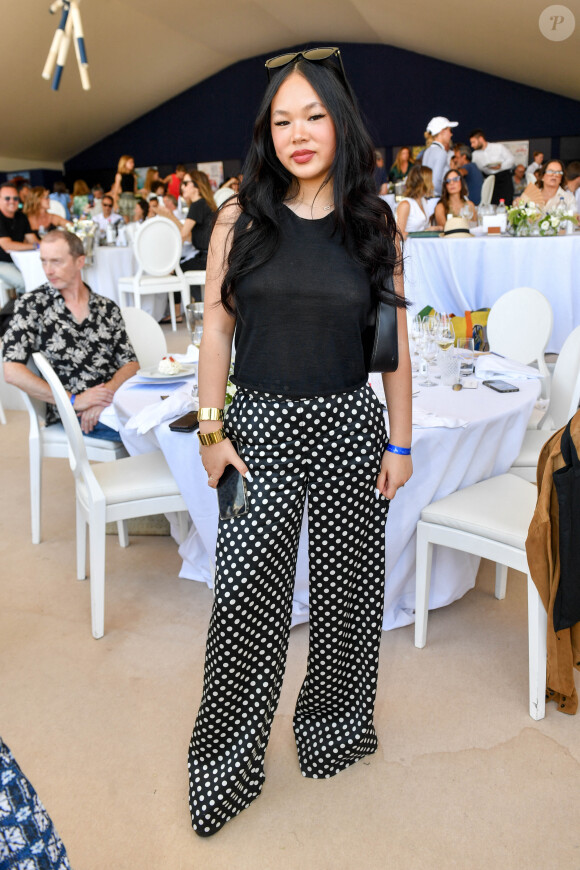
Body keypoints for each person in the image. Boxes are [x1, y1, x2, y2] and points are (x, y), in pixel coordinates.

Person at [188, 46, 412, 837]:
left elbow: (394, 343)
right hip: (260, 427)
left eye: (313, 114)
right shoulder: (237, 217)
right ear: (267, 133)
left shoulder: (376, 220)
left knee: (351, 592)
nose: (298, 132)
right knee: (248, 596)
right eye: (282, 120)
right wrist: (212, 433)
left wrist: (402, 443)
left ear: (339, 122)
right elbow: (216, 330)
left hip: (352, 422)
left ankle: (334, 732)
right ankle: (225, 767)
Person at [3, 229, 138, 438]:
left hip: (115, 401)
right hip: (72, 411)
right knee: (153, 429)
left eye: (56, 262)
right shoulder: (31, 305)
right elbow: (11, 371)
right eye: (44, 262)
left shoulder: (106, 307)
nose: (48, 270)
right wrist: (74, 400)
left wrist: (105, 396)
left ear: (80, 261)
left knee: (175, 417)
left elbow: (131, 363)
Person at [0, 181, 38, 294]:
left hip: (19, 261)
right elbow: (7, 246)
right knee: (25, 284)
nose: (12, 201)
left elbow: (33, 239)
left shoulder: (21, 216)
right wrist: (35, 246)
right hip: (2, 262)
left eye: (15, 198)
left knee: (40, 278)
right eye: (7, 198)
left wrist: (42, 245)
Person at [469, 129, 515, 205]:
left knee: (506, 203)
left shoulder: (498, 147)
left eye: (473, 142)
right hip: (489, 180)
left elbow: (511, 160)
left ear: (481, 139)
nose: (472, 145)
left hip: (504, 178)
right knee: (491, 203)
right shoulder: (475, 155)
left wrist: (500, 166)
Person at [395, 164, 437, 238]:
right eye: (430, 180)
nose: (432, 183)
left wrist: (433, 229)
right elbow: (398, 235)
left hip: (420, 245)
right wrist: (424, 233)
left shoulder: (423, 201)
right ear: (423, 183)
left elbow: (423, 229)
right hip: (408, 247)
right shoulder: (405, 204)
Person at [421, 116, 458, 196]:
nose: (451, 134)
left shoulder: (427, 151)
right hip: (437, 199)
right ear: (442, 131)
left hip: (428, 198)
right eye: (449, 130)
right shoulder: (441, 152)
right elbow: (435, 182)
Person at [112, 154, 138, 223]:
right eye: (130, 162)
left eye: (133, 162)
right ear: (124, 163)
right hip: (123, 200)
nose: (133, 164)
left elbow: (135, 190)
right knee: (125, 220)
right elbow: (116, 191)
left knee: (134, 219)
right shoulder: (119, 175)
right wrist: (115, 203)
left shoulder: (133, 176)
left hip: (132, 199)